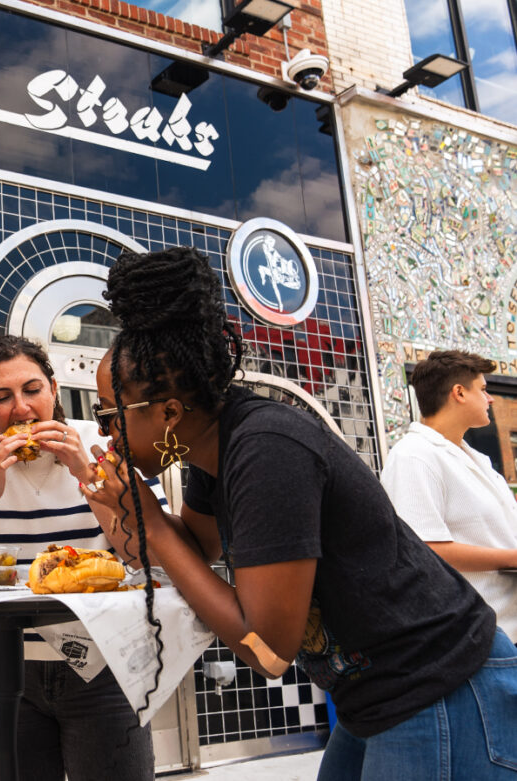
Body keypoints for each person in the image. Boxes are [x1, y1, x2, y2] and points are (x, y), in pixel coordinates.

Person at [81, 246, 517, 780]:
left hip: (441, 684)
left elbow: (268, 652)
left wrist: (152, 526)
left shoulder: (267, 449)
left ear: (170, 412)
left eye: (107, 414)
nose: (103, 432)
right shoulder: (210, 450)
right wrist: (125, 518)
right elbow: (195, 552)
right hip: (376, 695)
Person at [0, 335, 166, 781]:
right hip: (10, 667)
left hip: (107, 663)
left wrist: (86, 473)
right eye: (2, 397)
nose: (20, 409)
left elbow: (149, 556)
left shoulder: (103, 438)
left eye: (32, 390)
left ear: (54, 390)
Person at [381, 350, 517, 641]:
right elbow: (426, 549)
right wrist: (512, 558)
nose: (490, 398)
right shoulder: (413, 456)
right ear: (459, 393)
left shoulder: (477, 458)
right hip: (476, 638)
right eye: (483, 389)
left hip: (506, 630)